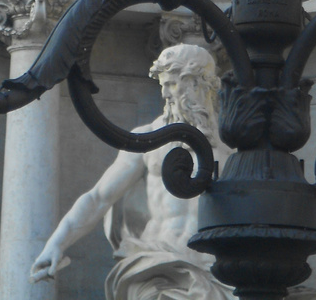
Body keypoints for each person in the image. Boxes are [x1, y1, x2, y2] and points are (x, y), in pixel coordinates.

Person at [30, 43, 232, 300]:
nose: (165, 93)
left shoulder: (230, 148)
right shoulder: (148, 139)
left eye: (172, 84)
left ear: (199, 84)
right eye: (163, 84)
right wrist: (56, 243)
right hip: (156, 267)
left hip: (213, 271)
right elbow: (98, 198)